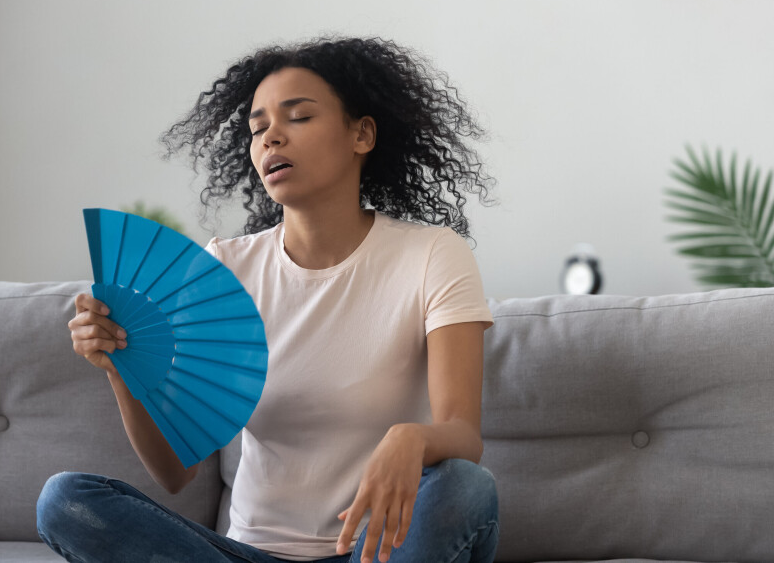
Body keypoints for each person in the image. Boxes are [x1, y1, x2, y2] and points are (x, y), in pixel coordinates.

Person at [37, 34, 501, 563]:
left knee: (465, 486)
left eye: (297, 117)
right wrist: (121, 367)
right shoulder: (225, 269)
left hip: (377, 554)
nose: (270, 138)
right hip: (251, 556)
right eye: (258, 129)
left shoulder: (432, 255)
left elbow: (463, 435)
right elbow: (174, 471)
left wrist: (412, 438)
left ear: (362, 134)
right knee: (66, 500)